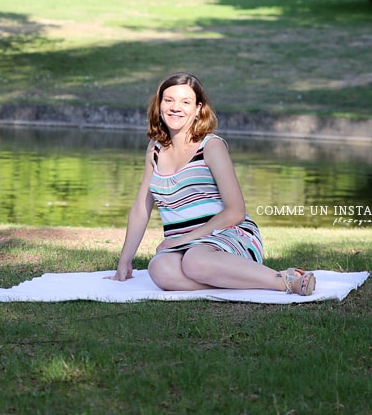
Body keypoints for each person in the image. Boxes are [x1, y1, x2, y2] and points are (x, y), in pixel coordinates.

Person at [106, 72, 316, 295]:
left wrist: (182, 240)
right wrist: (125, 261)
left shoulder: (211, 146)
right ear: (159, 105)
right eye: (169, 100)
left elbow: (236, 212)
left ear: (198, 108)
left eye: (185, 102)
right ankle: (235, 280)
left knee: (195, 261)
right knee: (159, 269)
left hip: (227, 236)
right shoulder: (155, 148)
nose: (175, 107)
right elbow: (141, 208)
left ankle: (284, 280)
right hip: (185, 247)